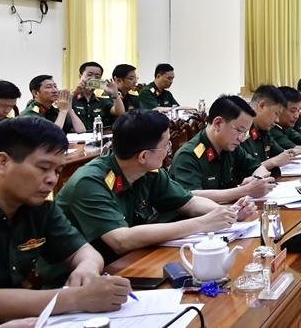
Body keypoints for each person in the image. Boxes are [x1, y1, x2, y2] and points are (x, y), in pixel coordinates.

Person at [41, 110, 256, 278]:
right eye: (165, 146)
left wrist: (228, 213)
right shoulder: (90, 182)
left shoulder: (148, 172)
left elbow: (189, 203)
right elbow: (121, 241)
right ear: (144, 155)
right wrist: (202, 224)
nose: (169, 151)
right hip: (78, 278)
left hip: (130, 261)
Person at [0, 118, 131, 322]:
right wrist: (76, 298)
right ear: (2, 162)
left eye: (58, 171)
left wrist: (87, 268)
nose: (52, 179)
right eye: (43, 168)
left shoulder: (40, 208)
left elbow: (84, 252)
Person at [168, 95, 280, 202]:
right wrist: (244, 190)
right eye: (239, 131)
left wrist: (256, 179)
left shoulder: (230, 147)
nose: (241, 139)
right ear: (218, 123)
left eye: (245, 133)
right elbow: (192, 197)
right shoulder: (188, 156)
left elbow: (260, 168)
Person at [240, 85, 301, 177]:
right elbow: (244, 173)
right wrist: (273, 162)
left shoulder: (264, 131)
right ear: (261, 106)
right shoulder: (241, 133)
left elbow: (283, 154)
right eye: (276, 114)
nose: (277, 120)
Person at [19, 75, 84, 134]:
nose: (55, 90)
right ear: (35, 93)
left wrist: (69, 108)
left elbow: (81, 131)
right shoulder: (30, 114)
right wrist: (63, 111)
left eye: (55, 86)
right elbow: (51, 136)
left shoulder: (54, 110)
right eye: (48, 87)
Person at [70, 62, 124, 131]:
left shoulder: (102, 101)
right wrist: (75, 91)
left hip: (97, 138)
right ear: (80, 77)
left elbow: (120, 113)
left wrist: (115, 94)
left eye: (97, 77)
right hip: (74, 139)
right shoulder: (70, 97)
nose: (93, 79)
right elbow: (62, 103)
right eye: (89, 75)